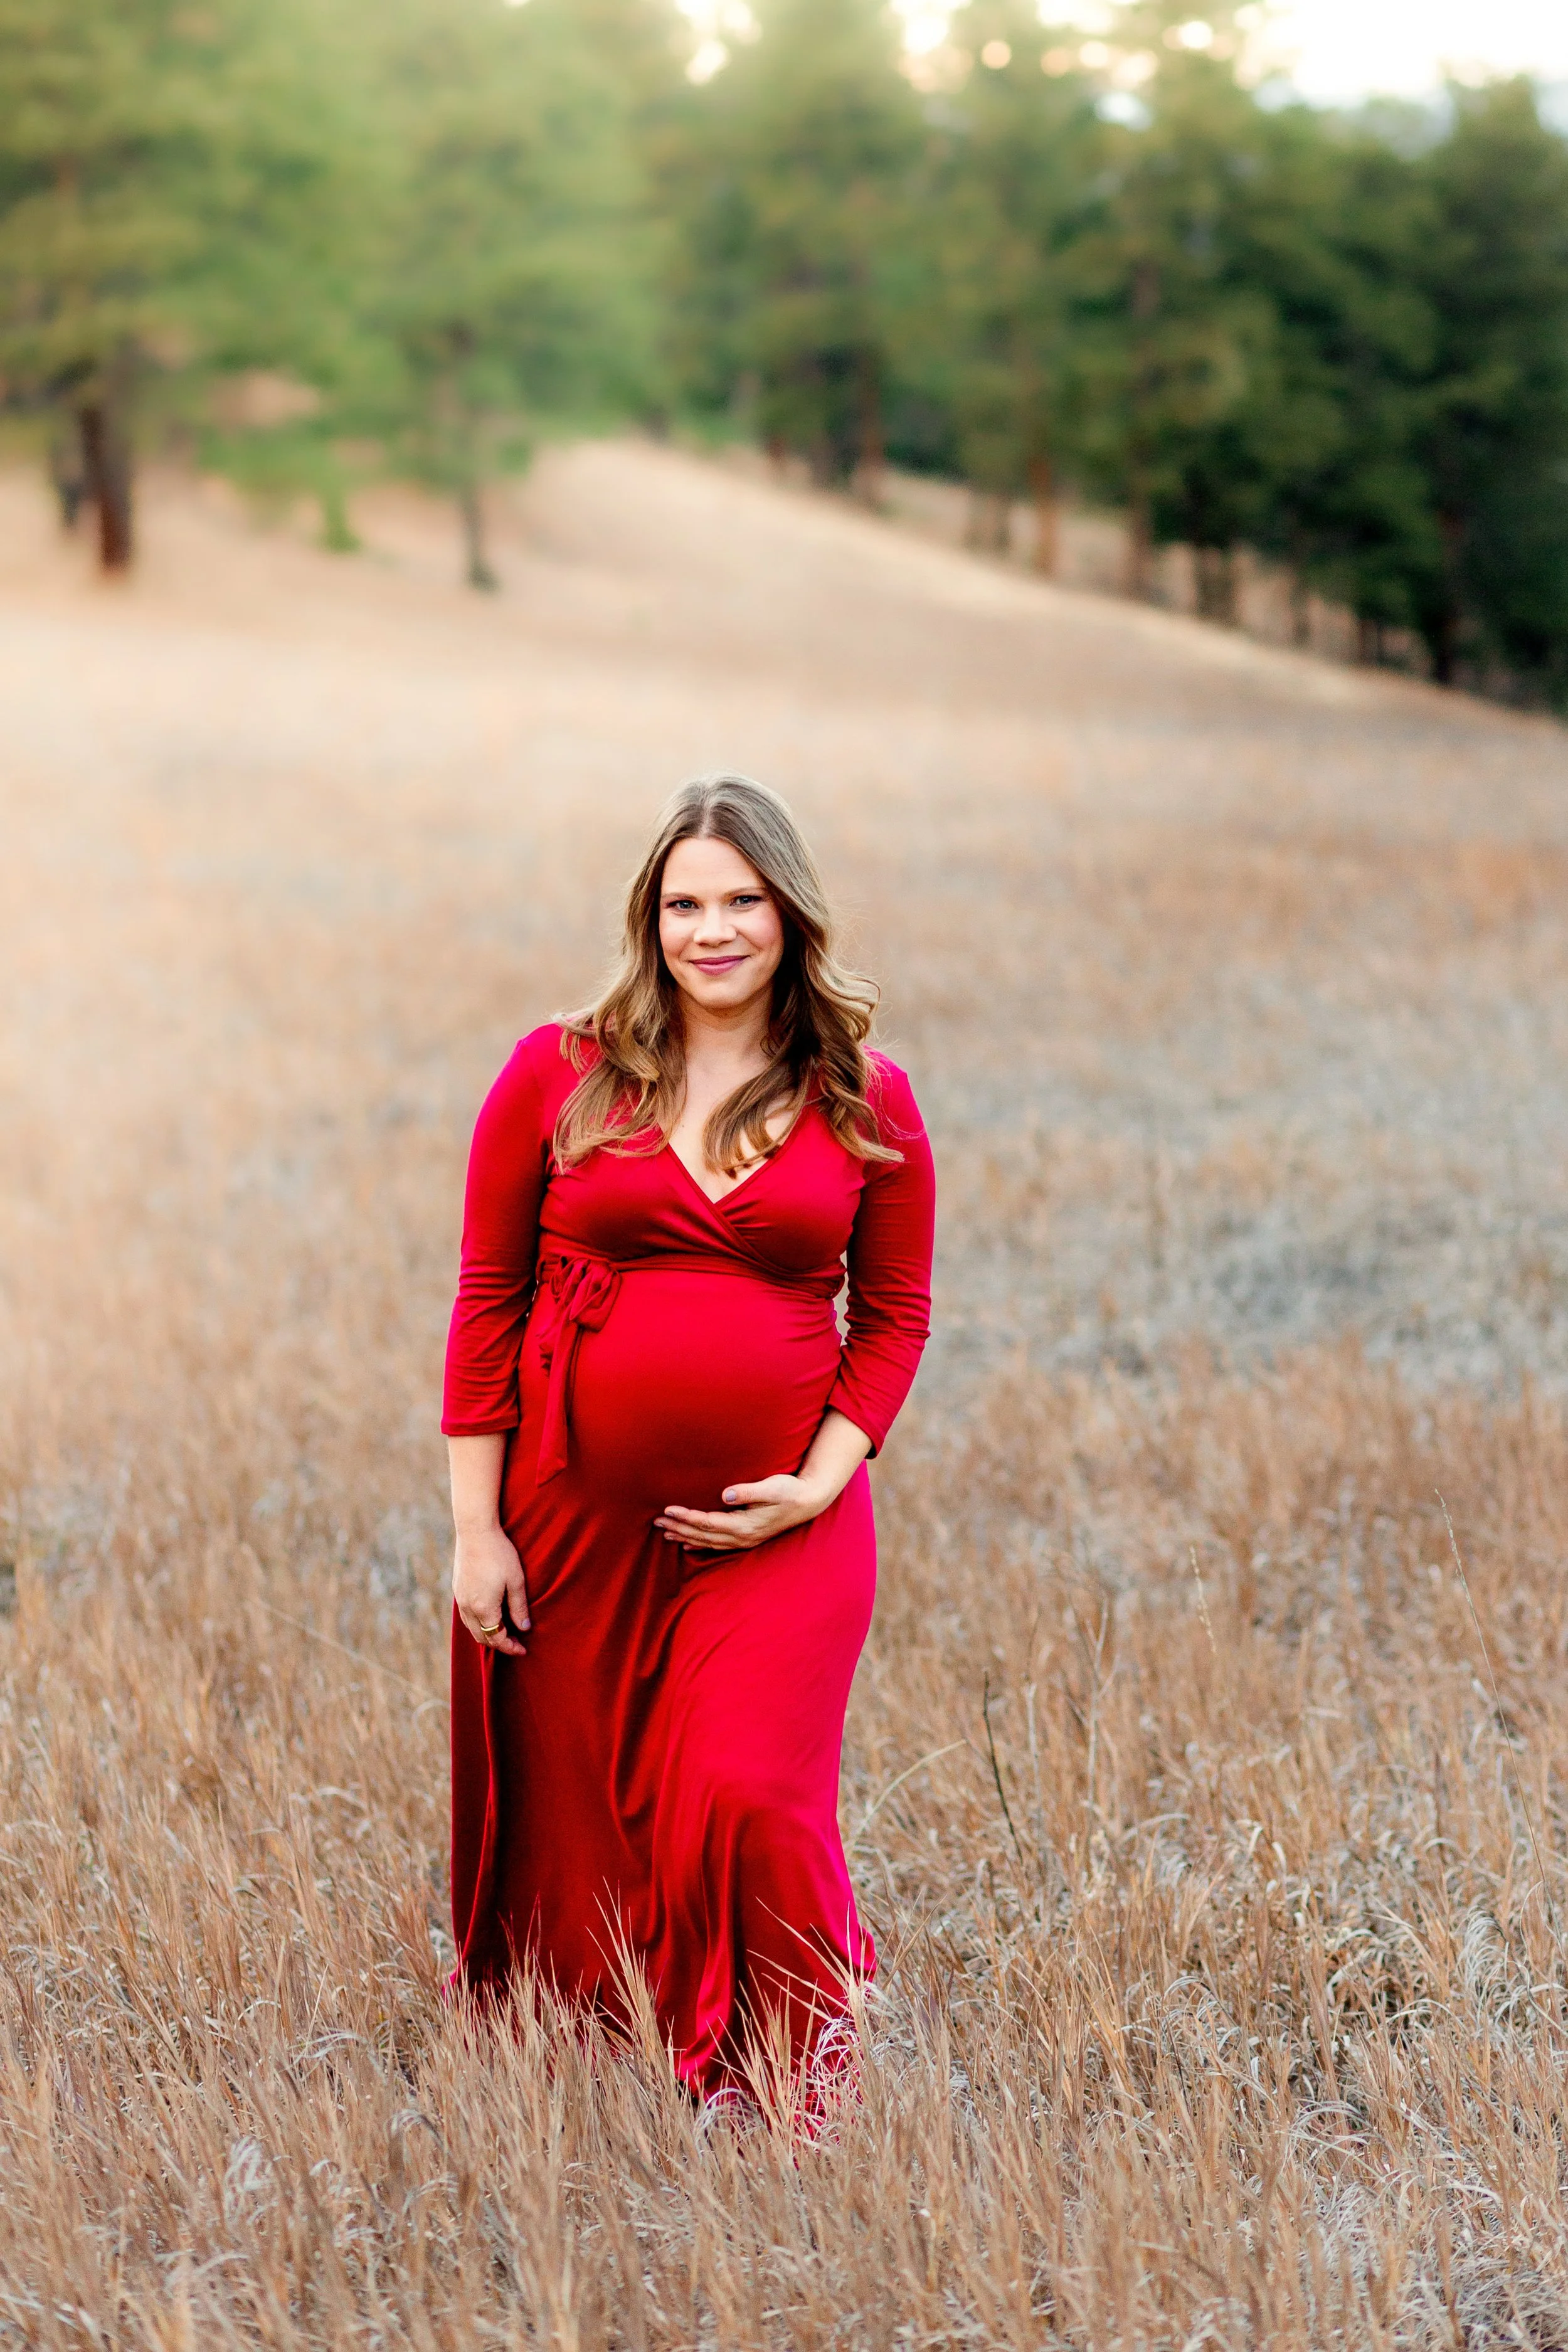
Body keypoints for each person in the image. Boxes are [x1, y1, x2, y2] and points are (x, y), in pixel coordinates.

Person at [441, 772, 935, 2102]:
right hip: (568, 1518)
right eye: (682, 904)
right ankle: (610, 2063)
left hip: (786, 1523)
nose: (710, 930)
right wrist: (476, 1531)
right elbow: (488, 1298)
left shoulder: (864, 1096)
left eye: (739, 900)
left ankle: (788, 2086)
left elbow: (891, 1320)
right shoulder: (560, 1070)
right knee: (581, 1813)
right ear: (647, 919)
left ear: (789, 913)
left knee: (745, 1799)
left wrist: (816, 1486)